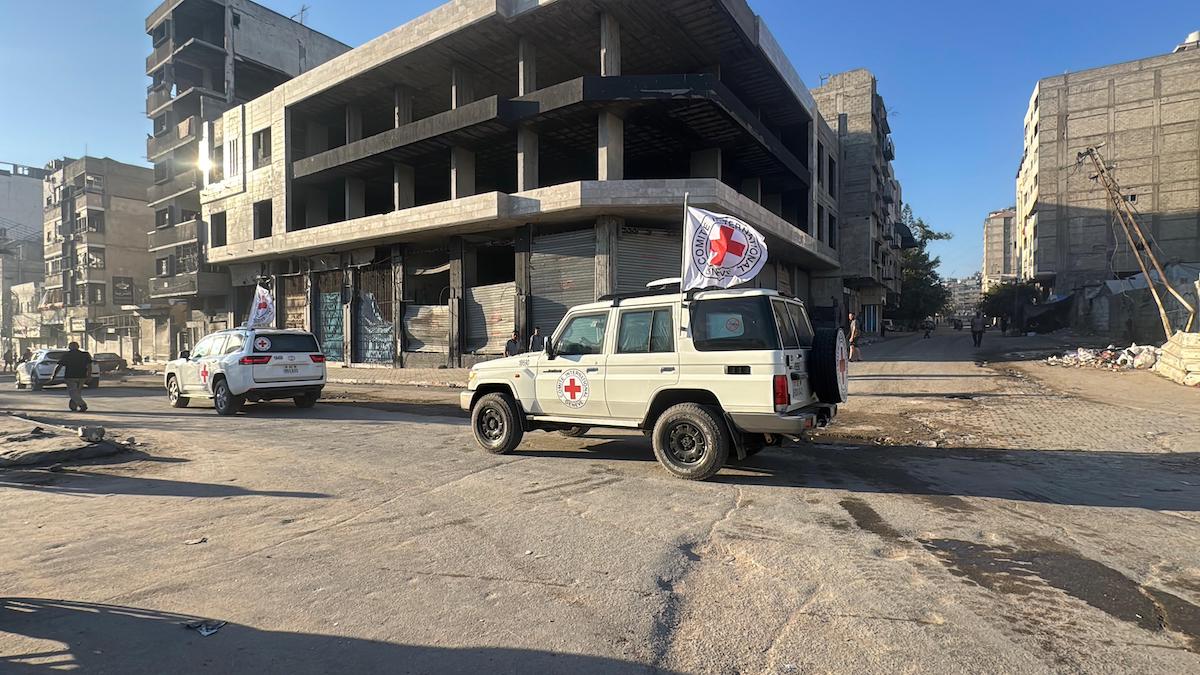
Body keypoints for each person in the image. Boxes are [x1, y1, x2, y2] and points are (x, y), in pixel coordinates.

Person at [55, 341, 93, 412]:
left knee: (73, 392)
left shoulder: (67, 355)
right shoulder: (85, 354)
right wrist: (89, 375)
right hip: (82, 376)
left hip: (70, 376)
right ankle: (73, 405)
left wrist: (54, 375)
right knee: (77, 392)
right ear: (78, 347)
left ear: (69, 347)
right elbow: (89, 366)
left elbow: (59, 366)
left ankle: (82, 405)